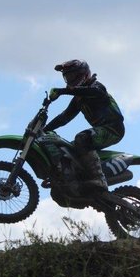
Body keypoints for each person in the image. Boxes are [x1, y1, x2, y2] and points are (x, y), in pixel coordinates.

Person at [43, 59, 125, 194]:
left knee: (82, 138)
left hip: (113, 129)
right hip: (101, 130)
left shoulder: (97, 87)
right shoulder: (78, 99)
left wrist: (63, 91)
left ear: (83, 74)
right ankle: (74, 181)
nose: (70, 79)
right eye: (67, 77)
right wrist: (44, 129)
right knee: (66, 149)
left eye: (72, 75)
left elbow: (94, 92)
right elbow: (64, 117)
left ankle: (99, 179)